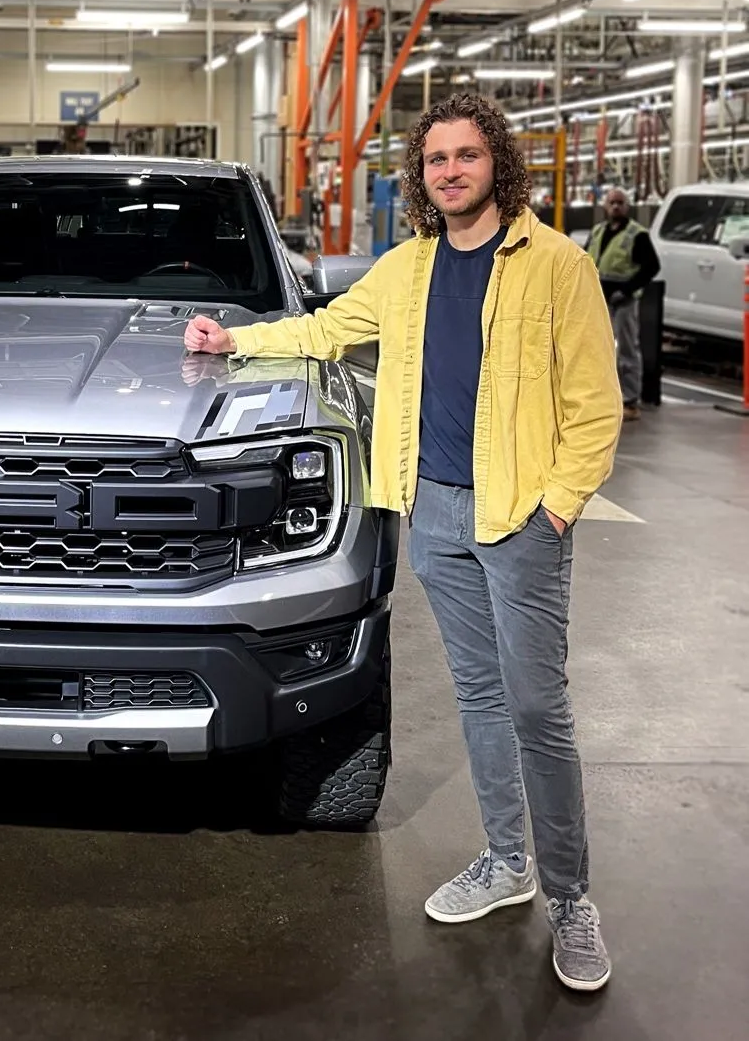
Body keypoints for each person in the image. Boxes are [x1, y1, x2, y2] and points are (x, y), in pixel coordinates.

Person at [184, 92, 622, 992]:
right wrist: (235, 341)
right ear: (420, 176)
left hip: (520, 517)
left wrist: (560, 504)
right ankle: (508, 864)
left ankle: (574, 899)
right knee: (479, 700)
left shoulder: (558, 266)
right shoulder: (409, 268)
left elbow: (595, 406)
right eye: (435, 160)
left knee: (538, 708)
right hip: (435, 511)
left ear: (496, 162)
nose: (451, 171)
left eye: (466, 155)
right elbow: (329, 330)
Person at [587, 188, 661, 421]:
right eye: (612, 203)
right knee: (596, 350)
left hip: (623, 301)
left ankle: (630, 400)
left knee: (627, 350)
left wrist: (627, 289)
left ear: (627, 206)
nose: (616, 207)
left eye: (620, 203)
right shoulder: (598, 231)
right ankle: (598, 398)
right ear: (605, 206)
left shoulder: (636, 235)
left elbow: (651, 267)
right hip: (598, 299)